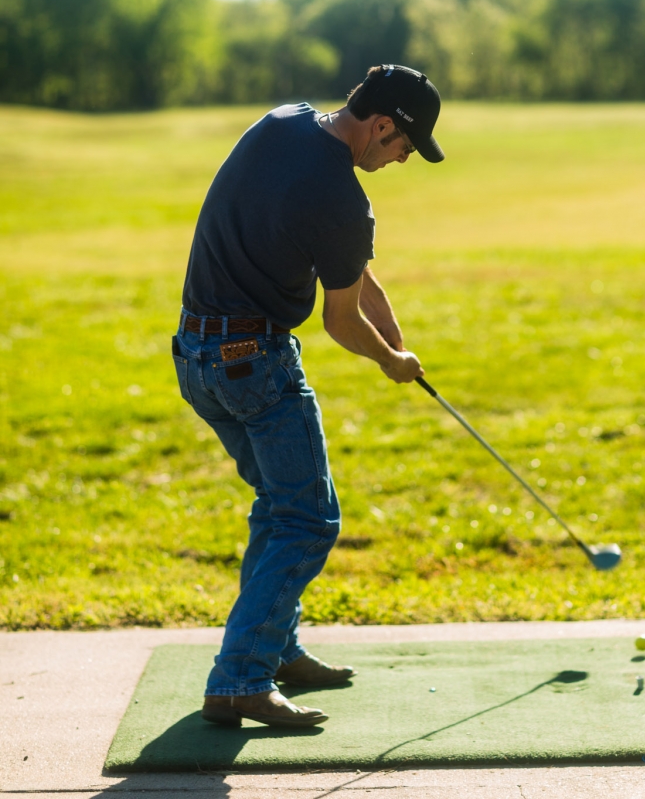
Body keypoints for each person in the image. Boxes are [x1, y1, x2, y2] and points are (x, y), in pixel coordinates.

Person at [172, 64, 445, 728]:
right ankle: (239, 679)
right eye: (407, 146)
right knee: (307, 519)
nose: (405, 158)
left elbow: (354, 273)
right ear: (383, 126)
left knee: (280, 504)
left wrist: (397, 338)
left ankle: (278, 648)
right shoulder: (345, 203)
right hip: (256, 367)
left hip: (196, 358)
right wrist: (389, 361)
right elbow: (341, 321)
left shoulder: (282, 122)